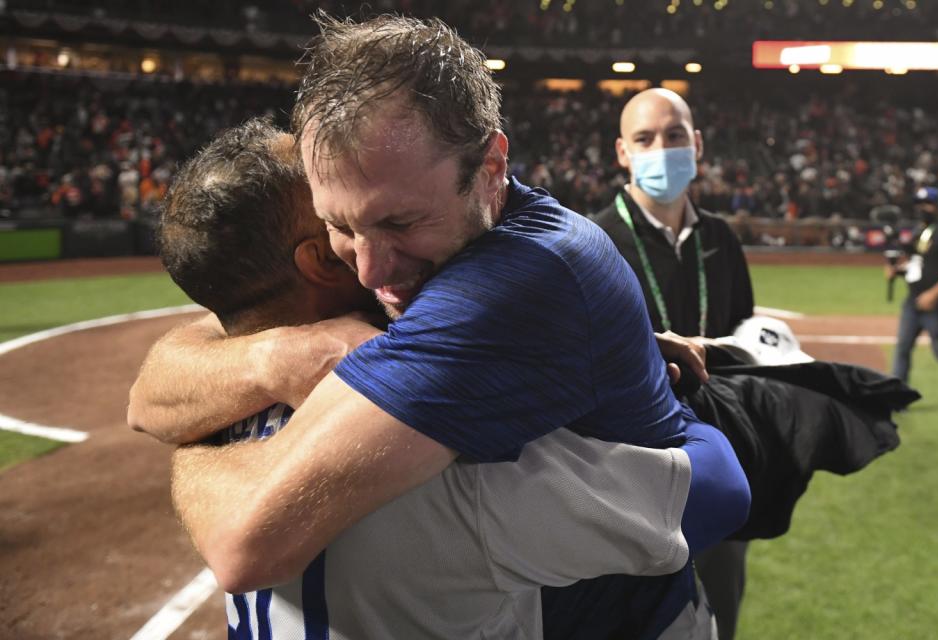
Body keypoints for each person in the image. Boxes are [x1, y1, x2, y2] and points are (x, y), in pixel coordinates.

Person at [129, 13, 748, 638]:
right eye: (339, 228)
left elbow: (245, 542)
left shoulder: (510, 288)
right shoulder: (442, 240)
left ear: (491, 166)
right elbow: (149, 393)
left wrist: (195, 446)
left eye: (399, 223)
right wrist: (283, 355)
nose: (370, 270)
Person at [590, 88, 755, 640]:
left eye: (675, 135)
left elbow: (746, 339)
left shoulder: (721, 239)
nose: (661, 148)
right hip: (628, 468)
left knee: (723, 599)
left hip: (719, 455)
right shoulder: (592, 242)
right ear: (621, 152)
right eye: (644, 138)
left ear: (698, 144)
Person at [888, 186, 938, 382]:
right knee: (903, 348)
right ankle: (897, 400)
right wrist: (897, 271)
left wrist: (933, 294)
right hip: (913, 301)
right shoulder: (920, 231)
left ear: (937, 206)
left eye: (927, 204)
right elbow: (916, 262)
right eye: (919, 204)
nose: (922, 208)